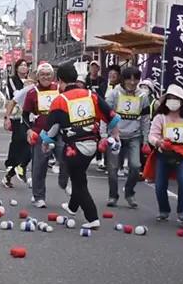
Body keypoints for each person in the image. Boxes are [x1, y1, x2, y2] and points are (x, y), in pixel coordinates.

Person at [40, 63, 121, 229]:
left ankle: (92, 218)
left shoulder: (60, 100)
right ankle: (72, 206)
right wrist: (115, 136)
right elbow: (112, 117)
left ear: (60, 80)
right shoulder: (91, 95)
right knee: (80, 175)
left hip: (74, 148)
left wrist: (46, 144)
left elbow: (51, 129)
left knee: (78, 182)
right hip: (93, 145)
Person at [145, 84, 183, 225]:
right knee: (160, 185)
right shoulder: (160, 117)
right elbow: (152, 135)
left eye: (175, 98)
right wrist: (159, 142)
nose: (172, 101)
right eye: (169, 98)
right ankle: (163, 210)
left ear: (182, 100)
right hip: (164, 154)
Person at [15, 63, 70, 208]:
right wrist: (29, 130)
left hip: (60, 131)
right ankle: (39, 196)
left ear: (53, 76)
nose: (45, 77)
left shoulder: (60, 90)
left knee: (66, 160)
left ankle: (63, 182)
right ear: (37, 76)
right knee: (39, 166)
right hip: (41, 132)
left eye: (48, 74)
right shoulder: (32, 92)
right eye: (42, 74)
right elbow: (25, 115)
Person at [101, 66, 150, 208]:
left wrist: (145, 139)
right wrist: (104, 135)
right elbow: (104, 115)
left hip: (134, 136)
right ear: (123, 79)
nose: (132, 82)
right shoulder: (113, 94)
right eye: (129, 78)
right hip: (115, 136)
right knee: (113, 168)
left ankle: (129, 192)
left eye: (136, 79)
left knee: (135, 166)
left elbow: (145, 119)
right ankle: (113, 195)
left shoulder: (143, 96)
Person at [2, 59, 30, 187]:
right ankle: (11, 164)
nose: (24, 68)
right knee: (17, 140)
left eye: (26, 65)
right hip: (16, 114)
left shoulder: (30, 81)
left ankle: (20, 165)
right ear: (17, 68)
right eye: (21, 65)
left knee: (27, 142)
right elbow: (14, 96)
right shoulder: (12, 81)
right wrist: (7, 118)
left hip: (28, 115)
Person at [97, 65, 121, 171]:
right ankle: (106, 162)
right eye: (110, 73)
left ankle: (115, 164)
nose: (112, 76)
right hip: (103, 114)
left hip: (116, 116)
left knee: (114, 138)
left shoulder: (120, 89)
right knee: (104, 136)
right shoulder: (102, 86)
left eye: (114, 74)